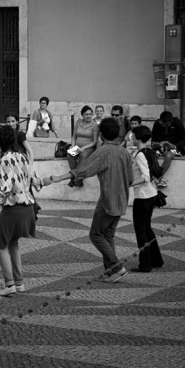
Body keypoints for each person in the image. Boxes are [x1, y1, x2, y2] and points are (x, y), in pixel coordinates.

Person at [43, 117, 133, 283]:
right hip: (122, 199)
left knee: (96, 235)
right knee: (108, 234)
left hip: (108, 200)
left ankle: (117, 267)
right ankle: (110, 271)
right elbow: (131, 179)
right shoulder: (124, 152)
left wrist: (57, 178)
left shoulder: (103, 152)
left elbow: (82, 170)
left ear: (101, 135)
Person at [0, 126, 43, 297]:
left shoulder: (4, 160)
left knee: (0, 242)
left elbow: (5, 188)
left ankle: (9, 284)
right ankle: (19, 283)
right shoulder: (23, 157)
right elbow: (36, 181)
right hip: (28, 208)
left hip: (13, 208)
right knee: (13, 243)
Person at [129, 125, 164, 273]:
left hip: (143, 196)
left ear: (138, 137)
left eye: (132, 135)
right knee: (147, 229)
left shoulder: (141, 154)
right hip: (151, 194)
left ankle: (145, 264)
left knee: (141, 231)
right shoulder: (147, 151)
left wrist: (129, 184)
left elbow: (145, 177)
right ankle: (156, 260)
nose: (131, 137)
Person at [151, 111, 185, 189]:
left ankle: (158, 177)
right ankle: (157, 178)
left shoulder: (177, 123)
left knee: (168, 155)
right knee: (153, 155)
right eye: (163, 124)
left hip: (175, 146)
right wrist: (157, 144)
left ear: (171, 121)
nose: (165, 125)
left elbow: (184, 140)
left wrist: (174, 146)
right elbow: (153, 139)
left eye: (167, 124)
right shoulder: (157, 124)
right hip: (161, 146)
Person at [68, 106, 99, 188]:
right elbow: (74, 137)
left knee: (83, 156)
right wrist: (72, 146)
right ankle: (75, 177)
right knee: (70, 155)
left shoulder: (94, 125)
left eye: (90, 114)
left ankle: (77, 179)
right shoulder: (78, 122)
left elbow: (95, 141)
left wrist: (84, 148)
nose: (88, 116)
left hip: (89, 147)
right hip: (78, 146)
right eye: (86, 114)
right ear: (82, 115)